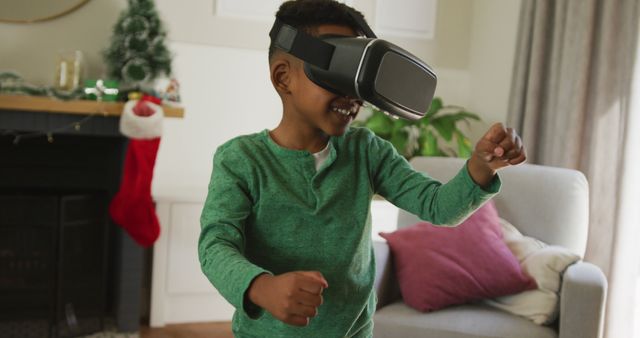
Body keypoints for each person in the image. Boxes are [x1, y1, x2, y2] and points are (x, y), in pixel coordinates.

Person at [198, 1, 526, 337]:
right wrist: (262, 287)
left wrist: (480, 167)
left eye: (358, 82)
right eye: (338, 73)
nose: (353, 96)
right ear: (284, 78)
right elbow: (216, 246)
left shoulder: (367, 151)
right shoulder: (240, 160)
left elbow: (438, 206)